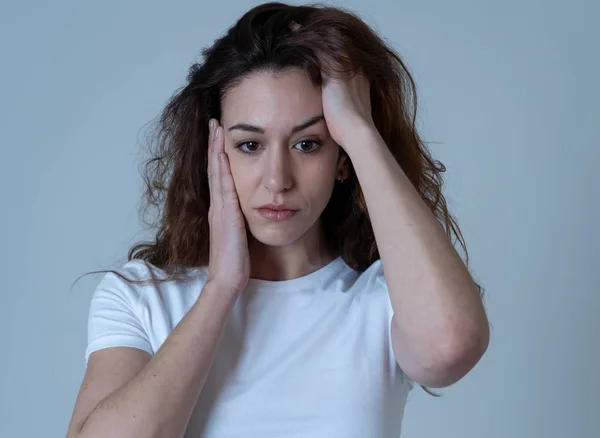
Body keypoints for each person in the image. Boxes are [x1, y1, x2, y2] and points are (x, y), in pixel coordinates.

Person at [67, 2, 490, 437]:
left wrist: (360, 131)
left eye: (308, 144)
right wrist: (220, 289)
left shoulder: (385, 298)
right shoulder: (142, 297)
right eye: (250, 145)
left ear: (341, 160)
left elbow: (450, 349)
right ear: (215, 150)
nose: (277, 180)